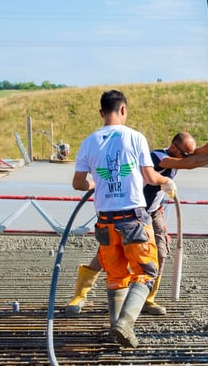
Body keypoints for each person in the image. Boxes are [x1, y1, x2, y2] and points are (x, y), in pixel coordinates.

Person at [67, 130, 208, 317]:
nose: (188, 156)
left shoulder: (181, 154)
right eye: (184, 153)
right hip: (132, 213)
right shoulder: (158, 156)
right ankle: (79, 296)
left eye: (189, 153)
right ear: (174, 147)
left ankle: (146, 299)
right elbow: (186, 163)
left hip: (154, 211)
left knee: (160, 252)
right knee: (106, 255)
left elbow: (199, 153)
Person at [72, 90, 175, 348]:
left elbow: (78, 183)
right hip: (133, 217)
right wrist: (167, 182)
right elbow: (150, 177)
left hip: (105, 220)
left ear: (101, 113)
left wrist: (95, 182)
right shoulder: (135, 137)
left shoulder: (89, 141)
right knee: (147, 272)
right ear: (123, 110)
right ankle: (125, 323)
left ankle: (114, 329)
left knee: (116, 275)